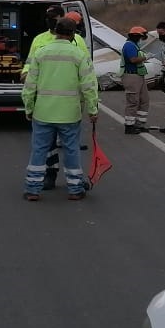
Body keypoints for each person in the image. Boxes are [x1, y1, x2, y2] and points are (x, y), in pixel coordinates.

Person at [21, 17, 99, 201]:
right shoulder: (78, 55)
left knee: (39, 150)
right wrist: (93, 110)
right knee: (71, 150)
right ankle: (75, 188)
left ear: (55, 32)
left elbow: (29, 85)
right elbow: (89, 85)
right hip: (69, 114)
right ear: (73, 35)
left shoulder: (41, 53)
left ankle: (32, 189)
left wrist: (29, 108)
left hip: (43, 112)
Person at [122, 26, 151, 134]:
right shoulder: (129, 46)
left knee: (144, 100)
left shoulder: (134, 45)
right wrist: (145, 57)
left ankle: (139, 124)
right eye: (141, 36)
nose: (142, 39)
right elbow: (133, 59)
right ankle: (129, 126)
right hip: (131, 76)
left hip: (138, 75)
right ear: (136, 36)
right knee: (133, 101)